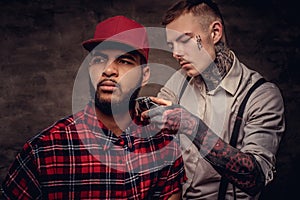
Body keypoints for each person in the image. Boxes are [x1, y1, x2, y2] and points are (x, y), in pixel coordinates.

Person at [1, 15, 185, 200]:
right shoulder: (44, 150)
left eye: (124, 61)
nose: (109, 70)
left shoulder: (164, 146)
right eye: (99, 59)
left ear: (145, 75)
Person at [141, 0, 285, 199]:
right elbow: (152, 131)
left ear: (215, 32)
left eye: (184, 40)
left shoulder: (261, 95)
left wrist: (192, 127)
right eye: (172, 45)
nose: (175, 53)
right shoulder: (180, 81)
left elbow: (255, 178)